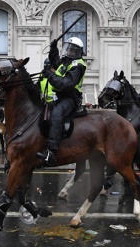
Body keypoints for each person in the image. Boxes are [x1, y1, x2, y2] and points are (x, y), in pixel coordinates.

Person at [36, 37, 87, 165]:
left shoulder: (78, 65)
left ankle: (51, 152)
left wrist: (50, 75)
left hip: (70, 97)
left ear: (78, 52)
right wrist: (53, 48)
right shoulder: (66, 62)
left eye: (72, 50)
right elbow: (55, 62)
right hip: (60, 96)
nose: (69, 51)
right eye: (68, 48)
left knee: (56, 114)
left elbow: (66, 83)